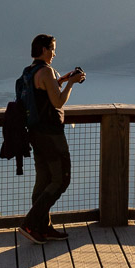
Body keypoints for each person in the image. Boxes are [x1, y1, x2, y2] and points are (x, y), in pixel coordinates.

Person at [19, 33, 85, 244]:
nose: (55, 53)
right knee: (61, 179)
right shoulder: (46, 71)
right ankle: (30, 223)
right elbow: (57, 102)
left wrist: (65, 78)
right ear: (45, 49)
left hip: (36, 134)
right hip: (51, 135)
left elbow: (45, 92)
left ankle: (43, 228)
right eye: (53, 49)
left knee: (43, 180)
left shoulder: (30, 71)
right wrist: (72, 84)